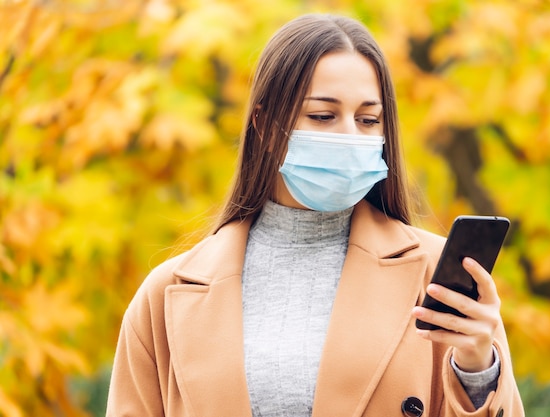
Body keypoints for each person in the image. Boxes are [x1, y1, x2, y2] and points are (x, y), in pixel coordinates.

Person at [106, 13, 525, 417]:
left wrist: (477, 369)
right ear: (267, 127)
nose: (349, 136)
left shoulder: (435, 277)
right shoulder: (163, 296)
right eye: (323, 116)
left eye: (368, 119)